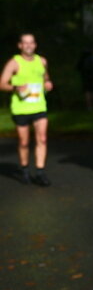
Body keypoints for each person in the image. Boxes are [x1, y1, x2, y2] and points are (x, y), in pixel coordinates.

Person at [1, 33, 54, 186]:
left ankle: (40, 172)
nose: (29, 45)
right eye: (25, 43)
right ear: (20, 46)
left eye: (31, 42)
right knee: (24, 142)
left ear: (35, 45)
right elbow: (2, 83)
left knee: (42, 138)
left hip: (39, 106)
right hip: (21, 109)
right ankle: (24, 170)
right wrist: (15, 87)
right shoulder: (14, 63)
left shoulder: (42, 61)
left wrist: (48, 84)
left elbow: (46, 78)